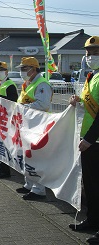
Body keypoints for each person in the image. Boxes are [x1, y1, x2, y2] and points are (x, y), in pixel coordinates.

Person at [68, 36, 99, 242]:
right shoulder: (92, 76)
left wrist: (88, 139)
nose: (90, 56)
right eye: (88, 52)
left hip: (94, 141)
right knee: (91, 185)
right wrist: (78, 101)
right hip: (91, 143)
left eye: (95, 52)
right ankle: (93, 220)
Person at [15, 57, 52, 200]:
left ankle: (39, 190)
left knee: (35, 157)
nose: (22, 72)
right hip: (27, 125)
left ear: (34, 69)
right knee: (26, 156)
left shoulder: (42, 84)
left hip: (38, 125)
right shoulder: (28, 83)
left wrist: (23, 108)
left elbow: (43, 105)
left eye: (24, 69)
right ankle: (29, 184)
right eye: (21, 69)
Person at [0, 61, 18, 179]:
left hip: (6, 119)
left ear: (6, 71)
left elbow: (12, 101)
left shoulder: (10, 85)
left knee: (4, 144)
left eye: (1, 71)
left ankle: (4, 170)